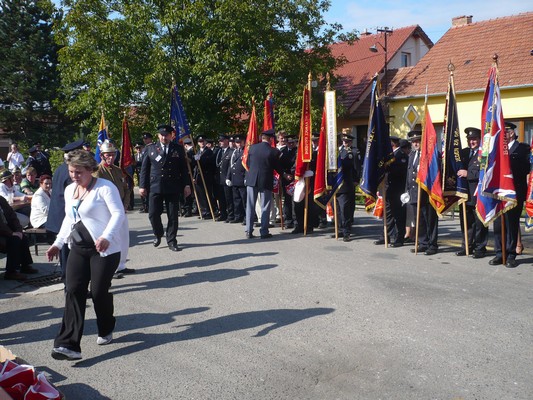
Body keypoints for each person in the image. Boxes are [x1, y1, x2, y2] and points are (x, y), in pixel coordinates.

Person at [46, 149, 126, 361]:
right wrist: (57, 243)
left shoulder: (105, 188)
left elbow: (118, 213)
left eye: (79, 172)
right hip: (79, 249)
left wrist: (107, 236)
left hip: (104, 250)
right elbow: (68, 219)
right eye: (72, 171)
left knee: (99, 292)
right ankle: (68, 344)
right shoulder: (71, 189)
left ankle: (106, 326)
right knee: (73, 290)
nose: (74, 176)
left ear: (90, 170)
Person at [139, 124, 191, 252]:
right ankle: (158, 234)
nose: (164, 137)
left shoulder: (177, 149)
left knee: (173, 216)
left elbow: (183, 169)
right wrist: (142, 186)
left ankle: (172, 241)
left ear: (171, 135)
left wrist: (187, 184)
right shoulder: (150, 149)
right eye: (162, 135)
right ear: (158, 136)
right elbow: (144, 170)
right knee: (153, 214)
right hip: (155, 186)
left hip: (172, 186)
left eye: (167, 135)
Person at [490, 122, 530, 268]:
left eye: (505, 132)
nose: (502, 135)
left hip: (515, 191)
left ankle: (511, 254)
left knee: (511, 224)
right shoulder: (497, 150)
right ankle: (499, 253)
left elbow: (525, 169)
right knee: (498, 224)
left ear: (511, 133)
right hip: (499, 192)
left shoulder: (522, 149)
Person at [46, 139, 85, 281]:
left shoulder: (60, 168)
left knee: (66, 255)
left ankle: (69, 283)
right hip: (65, 218)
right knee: (69, 256)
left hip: (58, 216)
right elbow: (76, 197)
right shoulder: (72, 173)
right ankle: (70, 286)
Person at [94, 140, 133, 275]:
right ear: (102, 156)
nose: (110, 158)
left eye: (112, 155)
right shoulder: (97, 172)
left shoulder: (118, 170)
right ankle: (111, 268)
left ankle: (121, 265)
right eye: (107, 155)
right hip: (106, 211)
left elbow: (126, 189)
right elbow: (96, 193)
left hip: (120, 209)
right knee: (112, 239)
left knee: (123, 238)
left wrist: (125, 204)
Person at [456, 127, 488, 258]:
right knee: (466, 221)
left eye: (474, 139)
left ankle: (480, 247)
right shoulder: (463, 153)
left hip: (477, 193)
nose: (471, 142)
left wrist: (468, 174)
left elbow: (485, 172)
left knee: (480, 222)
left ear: (479, 140)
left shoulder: (484, 154)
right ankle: (467, 246)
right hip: (465, 193)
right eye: (469, 139)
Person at [405, 131, 439, 255]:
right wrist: (407, 190)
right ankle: (423, 243)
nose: (415, 143)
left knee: (430, 220)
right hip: (414, 193)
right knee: (419, 220)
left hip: (427, 193)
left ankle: (432, 244)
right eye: (413, 141)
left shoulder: (429, 155)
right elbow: (408, 174)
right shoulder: (412, 154)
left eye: (418, 141)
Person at [245, 128, 282, 239]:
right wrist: (284, 174)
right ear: (271, 139)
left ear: (262, 138)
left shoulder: (252, 148)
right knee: (265, 206)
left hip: (252, 180)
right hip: (265, 180)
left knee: (250, 205)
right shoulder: (273, 151)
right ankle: (264, 231)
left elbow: (248, 163)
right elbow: (277, 167)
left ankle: (248, 230)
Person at [374, 136, 408, 247]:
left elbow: (400, 173)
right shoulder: (389, 156)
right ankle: (385, 236)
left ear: (392, 144)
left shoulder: (401, 156)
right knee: (387, 214)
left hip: (398, 190)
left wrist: (387, 168)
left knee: (398, 215)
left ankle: (399, 238)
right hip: (388, 190)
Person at [0, 195, 37, 281]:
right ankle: (11, 272)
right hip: (2, 232)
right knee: (14, 240)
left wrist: (18, 230)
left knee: (22, 237)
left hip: (7, 230)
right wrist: (11, 233)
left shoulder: (1, 200)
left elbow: (12, 216)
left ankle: (25, 265)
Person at [335, 132, 361, 242]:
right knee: (338, 209)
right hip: (335, 185)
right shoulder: (337, 151)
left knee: (345, 208)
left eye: (347, 141)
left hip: (346, 184)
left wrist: (356, 180)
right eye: (344, 141)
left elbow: (357, 167)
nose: (345, 143)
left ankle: (346, 231)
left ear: (351, 142)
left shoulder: (353, 152)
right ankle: (340, 229)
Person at [193, 136, 216, 219]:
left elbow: (209, 162)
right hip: (199, 177)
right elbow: (196, 167)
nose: (201, 143)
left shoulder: (209, 152)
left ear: (206, 142)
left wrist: (200, 160)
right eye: (200, 141)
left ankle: (209, 211)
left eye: (203, 141)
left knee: (207, 194)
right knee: (200, 195)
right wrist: (194, 176)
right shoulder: (198, 152)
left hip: (206, 176)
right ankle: (203, 211)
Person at [226, 135, 247, 224]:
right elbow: (230, 166)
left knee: (244, 200)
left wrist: (246, 177)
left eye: (239, 142)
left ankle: (247, 217)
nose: (238, 144)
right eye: (237, 142)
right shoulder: (234, 152)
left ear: (243, 142)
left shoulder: (245, 152)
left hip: (242, 179)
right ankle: (238, 216)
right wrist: (228, 177)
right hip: (234, 179)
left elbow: (247, 166)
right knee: (236, 200)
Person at [214, 134, 234, 222]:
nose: (220, 142)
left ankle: (230, 215)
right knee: (221, 198)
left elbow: (230, 165)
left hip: (227, 178)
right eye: (220, 141)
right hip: (219, 179)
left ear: (227, 141)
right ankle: (223, 214)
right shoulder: (219, 151)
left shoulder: (231, 151)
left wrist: (228, 177)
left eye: (222, 140)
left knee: (228, 198)